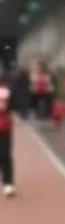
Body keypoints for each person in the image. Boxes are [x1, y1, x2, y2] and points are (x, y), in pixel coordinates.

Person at [0, 63, 16, 196]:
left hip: (4, 126)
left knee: (5, 155)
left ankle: (8, 183)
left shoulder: (5, 87)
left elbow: (7, 105)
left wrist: (7, 103)